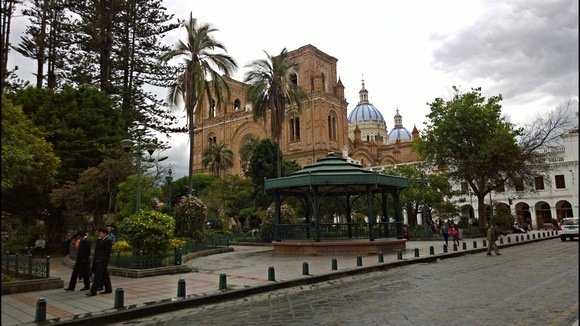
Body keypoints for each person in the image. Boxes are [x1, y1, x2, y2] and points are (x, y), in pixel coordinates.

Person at [87, 228, 113, 296]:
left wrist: (101, 260)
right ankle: (108, 289)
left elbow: (107, 252)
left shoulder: (108, 240)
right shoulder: (101, 240)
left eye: (101, 233)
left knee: (97, 276)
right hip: (99, 260)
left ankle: (93, 291)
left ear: (105, 233)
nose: (100, 234)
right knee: (105, 275)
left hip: (103, 261)